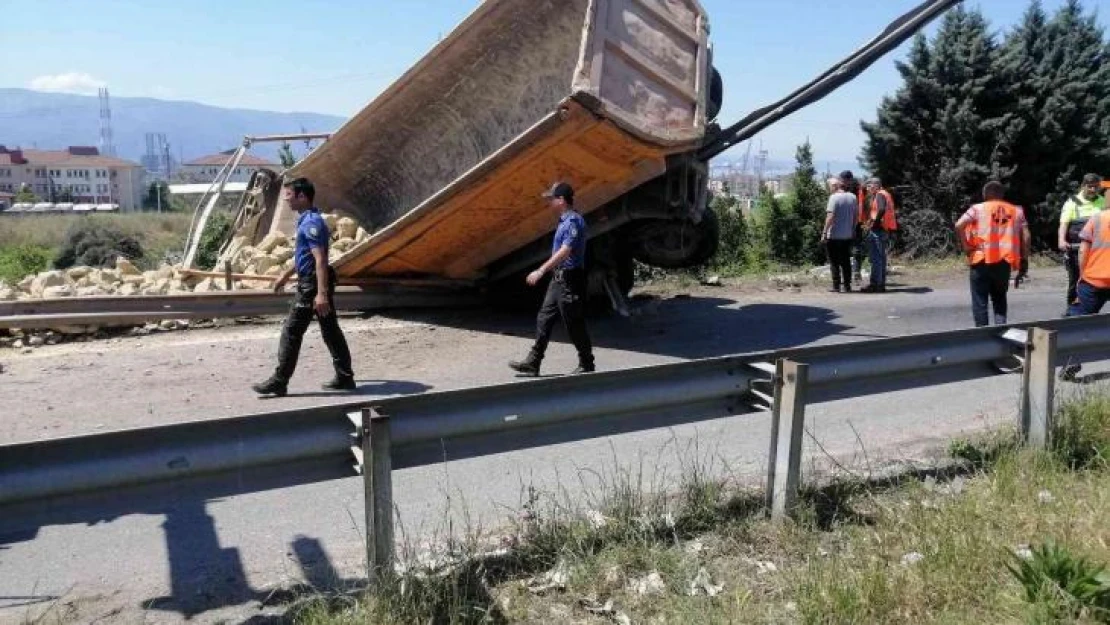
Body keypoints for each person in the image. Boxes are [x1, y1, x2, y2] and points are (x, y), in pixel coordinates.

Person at [253, 177, 354, 396]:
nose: (287, 200)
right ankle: (345, 376)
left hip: (312, 286)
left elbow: (320, 260)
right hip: (311, 282)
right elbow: (304, 257)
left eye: (289, 195)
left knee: (291, 331)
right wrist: (285, 275)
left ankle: (280, 381)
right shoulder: (307, 220)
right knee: (331, 331)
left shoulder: (311, 224)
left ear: (302, 196)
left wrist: (321, 294)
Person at [508, 182, 595, 376]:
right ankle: (533, 361)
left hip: (571, 280)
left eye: (552, 199)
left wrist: (541, 270)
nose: (549, 202)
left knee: (573, 323)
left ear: (561, 200)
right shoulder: (564, 221)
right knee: (544, 318)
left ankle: (587, 363)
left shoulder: (574, 221)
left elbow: (566, 250)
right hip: (558, 280)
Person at [954, 181, 1030, 328]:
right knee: (1000, 298)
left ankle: (983, 337)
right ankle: (1000, 332)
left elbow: (958, 225)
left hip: (981, 259)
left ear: (985, 195)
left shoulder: (977, 209)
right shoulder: (1016, 211)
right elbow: (1026, 235)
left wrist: (966, 246)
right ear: (1002, 195)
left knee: (980, 300)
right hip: (1004, 261)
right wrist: (1024, 259)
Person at [1060, 184, 1110, 381]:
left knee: (1077, 321)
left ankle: (1071, 362)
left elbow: (1083, 250)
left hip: (1094, 280)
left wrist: (1082, 274)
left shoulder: (1096, 219)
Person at [1057, 173, 1106, 313]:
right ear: (1083, 186)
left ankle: (1091, 309)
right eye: (1090, 187)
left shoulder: (1102, 201)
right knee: (1077, 280)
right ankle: (1071, 310)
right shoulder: (1073, 202)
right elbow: (1064, 224)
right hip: (1076, 248)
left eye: (1096, 187)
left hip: (1097, 250)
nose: (1093, 190)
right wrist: (1061, 240)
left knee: (1095, 281)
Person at [859, 177, 897, 293]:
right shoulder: (885, 194)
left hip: (878, 230)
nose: (867, 188)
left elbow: (881, 209)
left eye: (869, 186)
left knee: (876, 259)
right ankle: (880, 284)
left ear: (875, 185)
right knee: (881, 258)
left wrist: (874, 224)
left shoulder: (880, 195)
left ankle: (875, 284)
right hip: (884, 229)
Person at [821, 177, 858, 292]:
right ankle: (847, 286)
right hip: (847, 234)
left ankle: (836, 286)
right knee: (846, 261)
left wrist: (824, 232)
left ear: (835, 187)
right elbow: (856, 216)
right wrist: (852, 229)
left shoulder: (833, 198)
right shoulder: (853, 197)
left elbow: (830, 217)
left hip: (834, 235)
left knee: (834, 261)